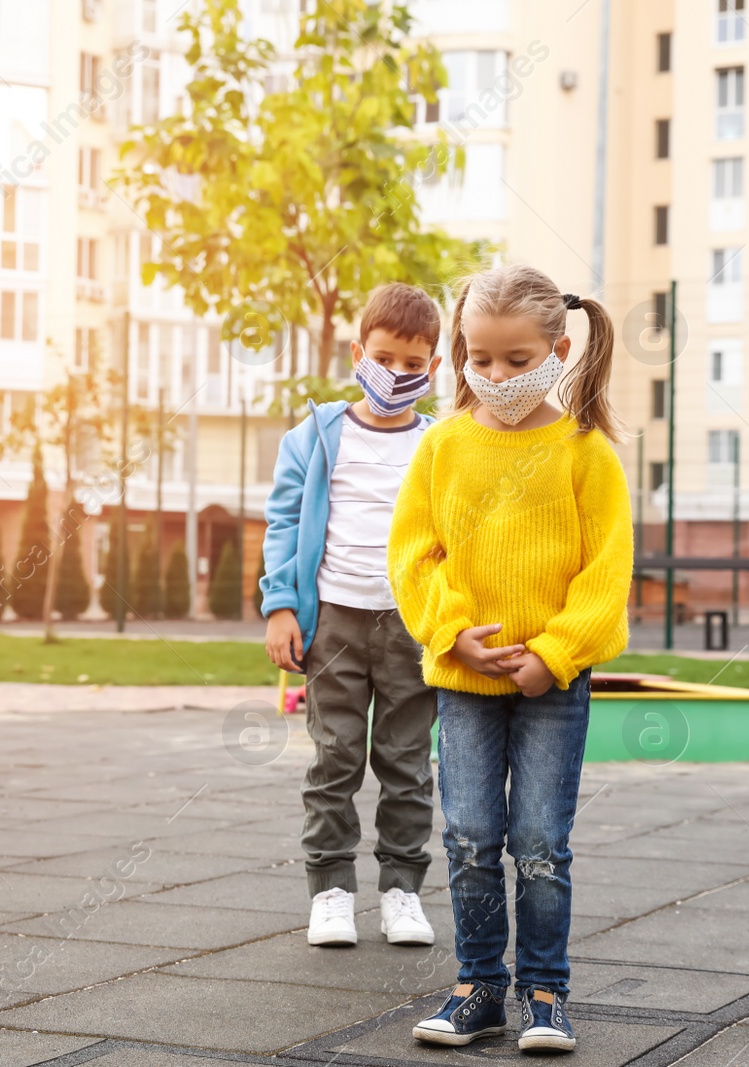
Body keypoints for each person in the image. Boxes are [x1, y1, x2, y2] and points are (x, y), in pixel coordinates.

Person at [388, 264, 632, 1052]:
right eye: (479, 358)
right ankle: (478, 988)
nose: (494, 375)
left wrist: (554, 653)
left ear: (558, 349)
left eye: (517, 360)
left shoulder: (586, 452)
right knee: (467, 833)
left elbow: (607, 571)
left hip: (551, 684)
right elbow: (415, 554)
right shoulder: (442, 446)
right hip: (464, 679)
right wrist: (449, 629)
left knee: (537, 839)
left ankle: (546, 993)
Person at [260, 283, 444, 949]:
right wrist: (281, 604)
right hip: (333, 619)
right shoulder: (314, 435)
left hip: (411, 624)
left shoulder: (440, 443)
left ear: (434, 368)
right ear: (358, 350)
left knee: (407, 761)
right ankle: (331, 891)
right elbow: (283, 520)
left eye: (412, 364)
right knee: (334, 758)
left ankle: (402, 890)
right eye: (385, 356)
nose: (396, 374)